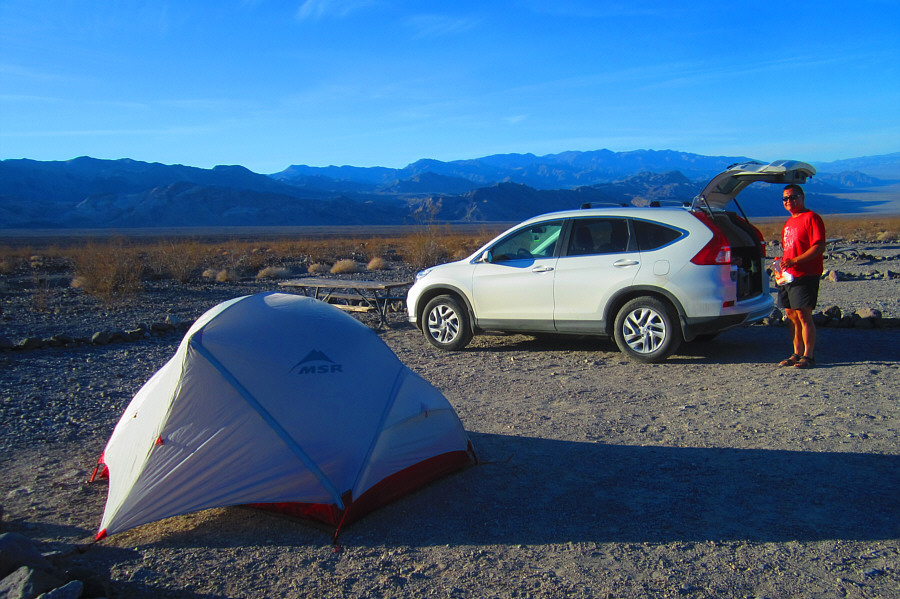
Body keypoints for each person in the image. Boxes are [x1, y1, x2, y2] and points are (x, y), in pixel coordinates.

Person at [776, 184, 826, 369]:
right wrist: (781, 263)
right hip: (788, 275)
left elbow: (819, 246)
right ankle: (796, 352)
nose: (789, 201)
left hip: (806, 273)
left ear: (802, 197)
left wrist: (795, 261)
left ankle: (809, 355)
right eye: (785, 198)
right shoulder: (789, 222)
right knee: (791, 315)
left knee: (804, 315)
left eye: (793, 197)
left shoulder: (811, 218)